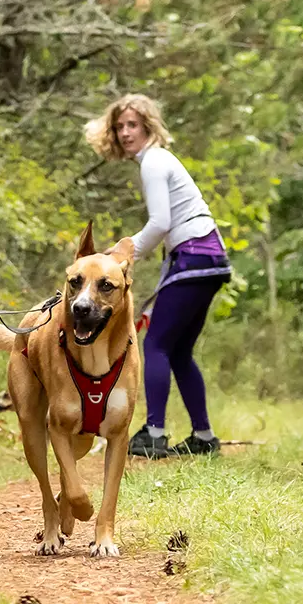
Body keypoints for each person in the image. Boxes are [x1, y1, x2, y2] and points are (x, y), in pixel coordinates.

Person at [85, 94, 230, 458]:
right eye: (119, 127)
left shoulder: (154, 160)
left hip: (196, 257)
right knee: (178, 350)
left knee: (155, 346)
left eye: (132, 125)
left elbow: (161, 223)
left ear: (148, 126)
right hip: (205, 258)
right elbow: (170, 231)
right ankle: (204, 437)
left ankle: (154, 433)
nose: (125, 132)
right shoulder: (158, 161)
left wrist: (118, 255)